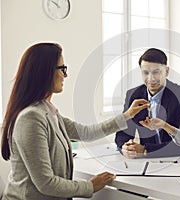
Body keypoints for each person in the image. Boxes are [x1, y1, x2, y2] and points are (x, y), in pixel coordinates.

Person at [0, 42, 149, 200]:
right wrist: (90, 186)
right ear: (45, 72)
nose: (66, 75)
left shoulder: (47, 111)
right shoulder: (31, 118)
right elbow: (46, 183)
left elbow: (86, 133)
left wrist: (127, 115)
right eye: (62, 69)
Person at [115, 48, 180, 158]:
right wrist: (125, 147)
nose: (151, 78)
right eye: (145, 73)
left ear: (166, 71)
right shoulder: (133, 95)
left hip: (176, 161)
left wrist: (145, 150)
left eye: (156, 72)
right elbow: (123, 132)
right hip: (145, 163)